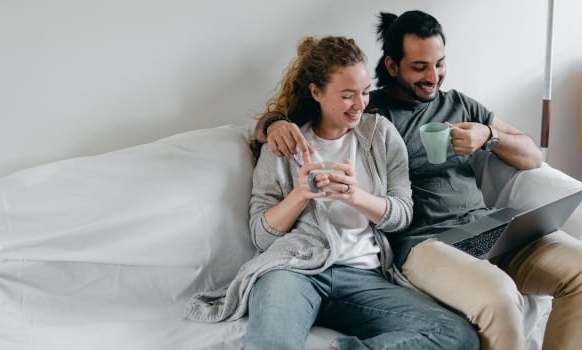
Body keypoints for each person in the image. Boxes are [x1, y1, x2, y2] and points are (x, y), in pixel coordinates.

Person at [255, 11, 582, 350]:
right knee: (500, 296)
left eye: (439, 64)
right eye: (419, 67)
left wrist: (489, 136)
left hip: (487, 228)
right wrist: (272, 124)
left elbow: (532, 156)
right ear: (393, 66)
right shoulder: (372, 114)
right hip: (426, 244)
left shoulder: (459, 104)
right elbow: (295, 121)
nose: (433, 76)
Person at [185, 36, 480, 350]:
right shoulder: (285, 143)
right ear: (316, 92)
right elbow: (262, 236)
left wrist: (355, 196)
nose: (359, 105)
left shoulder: (380, 135)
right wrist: (300, 194)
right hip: (293, 271)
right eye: (347, 95)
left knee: (458, 335)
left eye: (365, 93)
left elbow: (402, 216)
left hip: (363, 276)